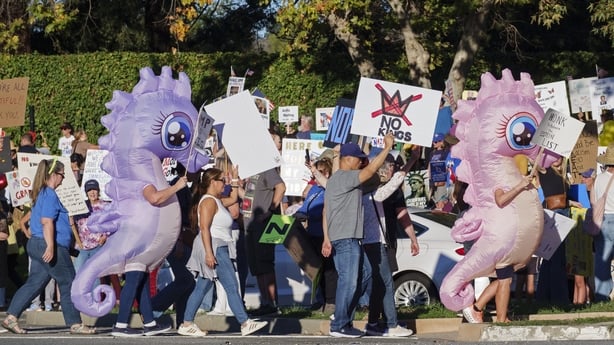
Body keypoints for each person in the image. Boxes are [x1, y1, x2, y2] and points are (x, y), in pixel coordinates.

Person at [1, 159, 95, 334]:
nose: (63, 178)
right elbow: (46, 222)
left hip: (36, 244)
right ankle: (75, 323)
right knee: (68, 282)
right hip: (49, 244)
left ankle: (11, 317)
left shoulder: (41, 193)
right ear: (53, 174)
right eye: (62, 175)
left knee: (35, 282)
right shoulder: (50, 194)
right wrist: (51, 246)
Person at [179, 167, 268, 337]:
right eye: (222, 180)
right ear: (213, 182)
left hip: (217, 246)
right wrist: (209, 253)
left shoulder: (216, 200)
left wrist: (234, 180)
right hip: (215, 246)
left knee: (202, 286)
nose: (224, 184)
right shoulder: (208, 202)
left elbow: (234, 198)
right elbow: (204, 228)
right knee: (231, 285)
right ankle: (245, 322)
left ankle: (186, 323)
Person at [322, 132, 394, 338]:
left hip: (346, 238)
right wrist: (387, 148)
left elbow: (326, 210)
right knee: (349, 281)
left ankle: (344, 318)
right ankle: (339, 324)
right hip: (346, 239)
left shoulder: (336, 178)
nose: (361, 161)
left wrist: (327, 238)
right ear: (348, 159)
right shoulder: (345, 177)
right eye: (358, 158)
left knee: (365, 274)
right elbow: (371, 170)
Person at [110, 173, 188, 337]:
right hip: (136, 238)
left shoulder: (132, 182)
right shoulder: (142, 181)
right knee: (134, 279)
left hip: (138, 237)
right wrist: (176, 187)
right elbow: (154, 198)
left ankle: (150, 323)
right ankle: (121, 324)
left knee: (141, 280)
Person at [362, 154, 417, 337]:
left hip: (370, 243)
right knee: (386, 283)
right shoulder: (376, 193)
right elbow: (396, 181)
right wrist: (411, 160)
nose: (387, 172)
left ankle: (372, 322)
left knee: (378, 284)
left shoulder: (361, 191)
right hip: (376, 243)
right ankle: (392, 325)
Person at [240, 164, 286, 316]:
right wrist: (234, 183)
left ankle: (272, 303)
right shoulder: (252, 171)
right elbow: (248, 198)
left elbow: (281, 187)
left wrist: (270, 210)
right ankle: (265, 302)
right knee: (257, 267)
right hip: (250, 225)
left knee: (265, 264)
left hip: (264, 225)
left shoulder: (266, 169)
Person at [296, 157, 337, 313]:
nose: (317, 176)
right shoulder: (314, 190)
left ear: (327, 172)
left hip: (326, 235)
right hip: (312, 235)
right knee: (317, 270)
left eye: (321, 172)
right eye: (316, 173)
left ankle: (331, 301)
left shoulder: (330, 189)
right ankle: (320, 300)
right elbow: (304, 208)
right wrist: (298, 215)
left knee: (329, 270)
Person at [72, 180, 110, 276]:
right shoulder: (81, 206)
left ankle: (95, 291)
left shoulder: (106, 206)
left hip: (98, 246)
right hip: (82, 247)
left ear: (98, 191)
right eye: (89, 190)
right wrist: (78, 242)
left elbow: (112, 223)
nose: (92, 192)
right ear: (86, 193)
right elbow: (73, 224)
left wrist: (105, 236)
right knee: (78, 273)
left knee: (94, 275)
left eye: (94, 190)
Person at [593, 144, 614, 302]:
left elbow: (593, 201)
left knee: (602, 260)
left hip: (601, 221)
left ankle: (601, 295)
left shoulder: (598, 179)